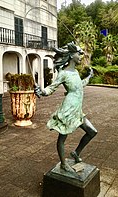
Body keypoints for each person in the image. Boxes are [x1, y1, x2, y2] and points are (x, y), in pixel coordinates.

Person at [34, 42, 97, 172]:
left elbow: (80, 85)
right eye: (79, 53)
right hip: (68, 110)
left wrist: (89, 76)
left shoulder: (75, 72)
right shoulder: (63, 73)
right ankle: (63, 163)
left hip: (77, 111)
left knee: (92, 132)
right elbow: (51, 88)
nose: (81, 56)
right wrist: (41, 91)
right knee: (62, 137)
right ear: (71, 55)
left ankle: (76, 153)